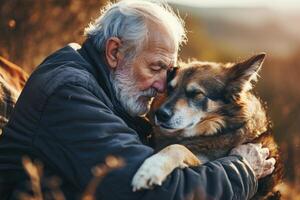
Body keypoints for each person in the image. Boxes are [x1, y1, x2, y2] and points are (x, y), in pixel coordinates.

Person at [0, 1, 275, 199]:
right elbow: (155, 192)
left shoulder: (96, 76)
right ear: (115, 51)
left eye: (167, 72)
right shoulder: (69, 95)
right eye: (156, 68)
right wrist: (243, 169)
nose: (161, 87)